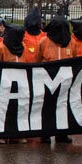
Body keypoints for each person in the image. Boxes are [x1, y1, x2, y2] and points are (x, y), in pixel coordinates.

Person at [33, 16, 78, 144]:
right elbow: (36, 60)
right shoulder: (43, 42)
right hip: (47, 81)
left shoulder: (71, 42)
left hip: (65, 81)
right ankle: (45, 133)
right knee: (47, 107)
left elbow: (76, 59)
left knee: (64, 107)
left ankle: (62, 134)